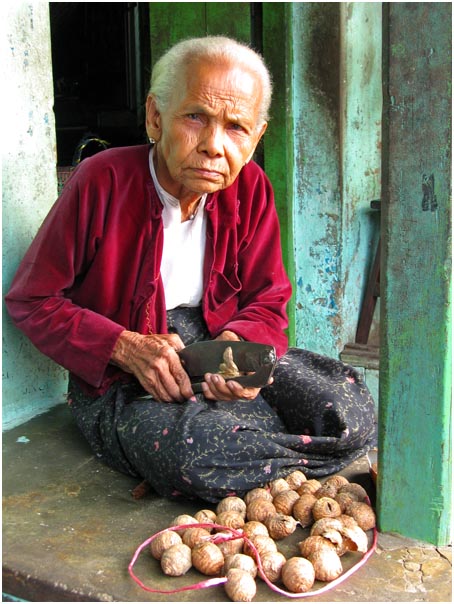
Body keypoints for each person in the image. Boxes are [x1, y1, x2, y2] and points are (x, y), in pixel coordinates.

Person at [5, 36, 376, 502]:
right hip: (126, 375)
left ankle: (254, 454)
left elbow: (268, 299)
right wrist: (126, 347)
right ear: (155, 117)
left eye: (237, 127)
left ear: (257, 136)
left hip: (214, 345)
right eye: (195, 117)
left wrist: (236, 347)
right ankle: (279, 458)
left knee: (350, 405)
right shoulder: (102, 180)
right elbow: (32, 300)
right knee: (194, 454)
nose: (214, 146)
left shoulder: (252, 189)